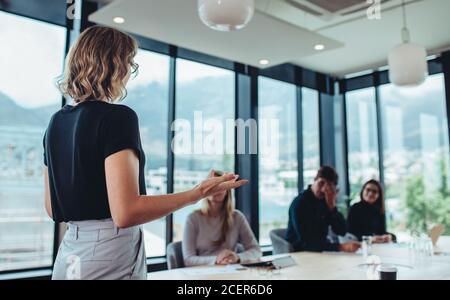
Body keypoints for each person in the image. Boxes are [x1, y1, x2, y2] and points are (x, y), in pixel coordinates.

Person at [44, 26, 247, 280]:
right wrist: (199, 192)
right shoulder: (117, 117)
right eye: (129, 62)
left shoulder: (55, 123)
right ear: (113, 64)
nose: (130, 71)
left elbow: (53, 209)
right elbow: (126, 212)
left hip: (70, 252)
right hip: (109, 251)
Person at [183, 170, 261, 267]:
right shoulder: (193, 218)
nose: (217, 190)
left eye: (221, 185)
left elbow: (256, 251)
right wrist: (217, 259)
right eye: (213, 186)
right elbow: (188, 259)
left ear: (227, 190)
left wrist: (237, 257)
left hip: (230, 271)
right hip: (203, 272)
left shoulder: (237, 217)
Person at [286, 166, 360, 253]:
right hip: (300, 252)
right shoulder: (300, 203)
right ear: (315, 180)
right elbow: (307, 242)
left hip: (319, 251)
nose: (324, 189)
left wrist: (332, 206)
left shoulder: (325, 201)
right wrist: (339, 247)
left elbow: (342, 231)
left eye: (329, 186)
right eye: (321, 183)